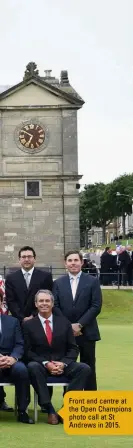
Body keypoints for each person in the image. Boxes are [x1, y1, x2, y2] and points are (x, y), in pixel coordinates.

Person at [23, 290, 91, 425]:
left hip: (62, 363)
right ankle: (50, 409)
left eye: (47, 301)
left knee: (84, 368)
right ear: (36, 304)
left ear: (52, 303)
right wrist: (46, 363)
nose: (44, 304)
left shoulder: (64, 322)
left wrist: (63, 364)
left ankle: (67, 408)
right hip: (41, 365)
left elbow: (73, 348)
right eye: (41, 301)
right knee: (32, 367)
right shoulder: (28, 325)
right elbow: (27, 351)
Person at [53, 250, 102, 390]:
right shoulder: (58, 283)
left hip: (87, 332)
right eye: (70, 260)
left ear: (82, 262)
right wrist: (69, 326)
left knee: (89, 366)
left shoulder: (92, 281)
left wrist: (80, 325)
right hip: (65, 333)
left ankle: (89, 402)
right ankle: (69, 402)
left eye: (76, 260)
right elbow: (55, 306)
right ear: (65, 263)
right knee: (67, 366)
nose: (73, 263)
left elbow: (96, 306)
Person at [0, 291, 33, 424]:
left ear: (1, 303)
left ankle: (22, 411)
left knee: (22, 370)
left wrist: (13, 358)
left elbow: (20, 344)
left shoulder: (12, 321)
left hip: (11, 360)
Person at [5, 246, 53, 323]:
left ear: (34, 259)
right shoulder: (11, 278)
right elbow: (11, 301)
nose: (27, 259)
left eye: (29, 256)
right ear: (19, 259)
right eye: (23, 257)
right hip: (18, 321)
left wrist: (34, 315)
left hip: (40, 320)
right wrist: (22, 318)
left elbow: (48, 299)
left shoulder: (45, 277)